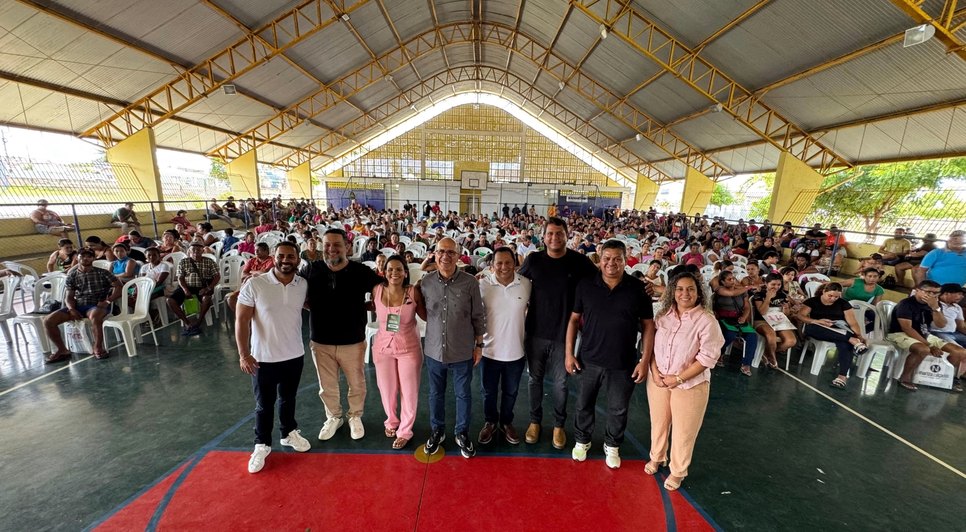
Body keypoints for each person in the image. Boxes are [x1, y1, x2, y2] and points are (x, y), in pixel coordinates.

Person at [566, 240, 654, 469]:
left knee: (618, 408)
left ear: (626, 260)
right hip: (589, 360)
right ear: (600, 259)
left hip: (623, 362)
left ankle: (612, 444)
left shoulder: (638, 288)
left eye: (617, 259)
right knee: (583, 403)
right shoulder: (585, 285)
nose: (611, 263)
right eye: (607, 258)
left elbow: (648, 325)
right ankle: (582, 440)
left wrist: (644, 360)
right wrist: (569, 354)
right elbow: (574, 320)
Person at [518, 217, 596, 449]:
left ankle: (558, 426)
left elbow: (600, 281)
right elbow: (516, 283)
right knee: (534, 380)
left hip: (564, 336)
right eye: (550, 233)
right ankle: (535, 421)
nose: (554, 238)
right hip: (535, 333)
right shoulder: (534, 260)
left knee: (561, 384)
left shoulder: (579, 261)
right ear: (543, 237)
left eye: (559, 233)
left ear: (567, 235)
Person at [300, 229, 382, 441]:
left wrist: (374, 304)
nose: (331, 249)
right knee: (327, 386)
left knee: (357, 383)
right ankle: (333, 417)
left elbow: (382, 289)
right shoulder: (311, 269)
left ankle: (355, 416)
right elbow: (293, 291)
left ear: (347, 247)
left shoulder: (360, 271)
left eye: (337, 244)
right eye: (327, 244)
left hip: (352, 340)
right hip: (321, 341)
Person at [236, 241, 311, 474]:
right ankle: (262, 444)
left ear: (298, 260)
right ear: (274, 258)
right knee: (264, 404)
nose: (285, 260)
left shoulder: (302, 284)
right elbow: (241, 320)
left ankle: (288, 433)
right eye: (281, 256)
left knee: (288, 399)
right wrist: (244, 354)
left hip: (294, 355)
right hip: (263, 358)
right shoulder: (255, 284)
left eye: (291, 256)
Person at [646, 272, 724, 491]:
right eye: (679, 289)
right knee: (659, 423)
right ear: (672, 291)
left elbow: (708, 357)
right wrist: (654, 371)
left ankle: (678, 471)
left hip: (690, 385)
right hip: (659, 380)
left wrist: (679, 378)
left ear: (699, 293)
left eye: (690, 289)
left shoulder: (706, 320)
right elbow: (651, 346)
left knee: (684, 431)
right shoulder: (663, 315)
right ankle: (657, 456)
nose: (685, 294)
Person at [419, 237, 486, 459]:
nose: (445, 256)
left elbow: (478, 316)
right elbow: (422, 311)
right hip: (434, 350)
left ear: (458, 256)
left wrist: (479, 345)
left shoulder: (470, 282)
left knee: (463, 394)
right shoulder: (426, 282)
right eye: (441, 251)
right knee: (435, 393)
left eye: (451, 252)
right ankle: (437, 431)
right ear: (434, 254)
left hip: (462, 350)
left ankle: (461, 432)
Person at [478, 247, 531, 446]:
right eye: (499, 263)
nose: (504, 267)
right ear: (492, 265)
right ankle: (490, 422)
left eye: (508, 262)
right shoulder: (482, 285)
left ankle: (506, 422)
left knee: (511, 392)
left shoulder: (525, 284)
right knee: (488, 392)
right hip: (489, 352)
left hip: (516, 352)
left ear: (515, 263)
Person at [372, 255, 426, 450]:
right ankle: (391, 420)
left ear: (405, 272)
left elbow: (426, 316)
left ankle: (405, 430)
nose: (394, 273)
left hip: (408, 348)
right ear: (384, 272)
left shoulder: (413, 292)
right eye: (390, 269)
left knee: (409, 391)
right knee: (386, 389)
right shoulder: (377, 290)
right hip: (382, 348)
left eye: (398, 269)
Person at [43, 248, 122, 362]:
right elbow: (69, 297)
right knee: (48, 320)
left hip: (97, 306)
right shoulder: (72, 275)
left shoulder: (103, 272)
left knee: (95, 316)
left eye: (89, 256)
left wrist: (108, 301)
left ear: (93, 258)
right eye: (82, 256)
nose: (86, 258)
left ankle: (98, 347)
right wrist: (71, 309)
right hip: (79, 306)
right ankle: (62, 350)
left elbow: (119, 287)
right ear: (77, 258)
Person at [887, 280, 966, 392]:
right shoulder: (906, 304)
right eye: (928, 292)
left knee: (959, 352)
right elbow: (907, 328)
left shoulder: (935, 305)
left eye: (936, 293)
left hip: (924, 334)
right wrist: (929, 345)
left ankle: (942, 378)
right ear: (918, 291)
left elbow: (941, 324)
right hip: (899, 333)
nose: (932, 295)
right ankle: (905, 378)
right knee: (923, 349)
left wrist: (935, 308)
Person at [797, 283, 869, 389]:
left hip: (839, 330)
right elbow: (800, 316)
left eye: (836, 297)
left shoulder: (843, 304)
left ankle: (842, 377)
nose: (833, 299)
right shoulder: (812, 301)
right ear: (824, 291)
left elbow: (852, 322)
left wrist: (859, 335)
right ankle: (851, 339)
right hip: (820, 329)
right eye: (830, 296)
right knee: (811, 328)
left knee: (845, 344)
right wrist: (817, 321)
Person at [167, 242, 220, 336]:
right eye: (193, 250)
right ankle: (187, 323)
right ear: (189, 251)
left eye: (198, 250)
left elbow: (217, 276)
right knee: (170, 301)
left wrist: (208, 288)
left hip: (203, 287)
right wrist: (185, 290)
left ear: (202, 251)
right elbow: (180, 278)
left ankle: (198, 322)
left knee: (206, 299)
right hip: (186, 287)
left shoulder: (209, 261)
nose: (195, 252)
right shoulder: (183, 262)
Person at [713, 271, 758, 376]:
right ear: (722, 282)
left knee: (752, 336)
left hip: (738, 318)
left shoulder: (742, 291)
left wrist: (744, 317)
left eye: (733, 278)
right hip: (723, 318)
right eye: (729, 279)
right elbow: (732, 294)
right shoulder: (719, 290)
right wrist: (748, 287)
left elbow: (747, 307)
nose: (733, 281)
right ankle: (720, 353)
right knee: (730, 334)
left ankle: (746, 364)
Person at [752, 274, 797, 368]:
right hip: (762, 320)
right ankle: (772, 356)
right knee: (771, 336)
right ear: (766, 283)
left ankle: (766, 352)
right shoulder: (759, 294)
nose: (776, 287)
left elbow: (787, 314)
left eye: (778, 284)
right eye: (773, 284)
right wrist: (768, 298)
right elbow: (762, 312)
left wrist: (786, 309)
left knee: (791, 341)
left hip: (778, 320)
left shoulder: (782, 295)